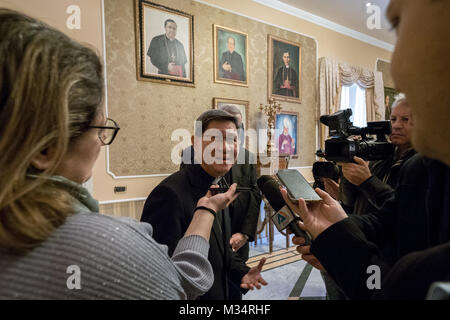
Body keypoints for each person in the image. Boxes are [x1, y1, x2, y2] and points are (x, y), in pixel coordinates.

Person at [0, 9, 236, 300]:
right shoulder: (108, 238)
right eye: (99, 128)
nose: (102, 142)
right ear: (45, 148)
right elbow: (180, 286)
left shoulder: (224, 184)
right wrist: (207, 210)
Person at [286, 0, 450, 299]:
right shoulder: (421, 168)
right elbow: (386, 222)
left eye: (401, 25)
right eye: (394, 118)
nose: (397, 69)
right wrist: (334, 231)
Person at [141, 110, 267, 300]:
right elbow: (161, 276)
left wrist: (241, 272)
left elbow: (219, 250)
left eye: (232, 140)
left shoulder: (219, 185)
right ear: (196, 143)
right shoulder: (168, 195)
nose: (226, 148)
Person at [339, 95, 416, 217]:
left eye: (405, 119)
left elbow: (406, 211)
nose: (396, 125)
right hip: (364, 232)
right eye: (393, 119)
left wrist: (367, 181)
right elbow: (349, 204)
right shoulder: (379, 156)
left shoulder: (424, 163)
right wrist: (348, 174)